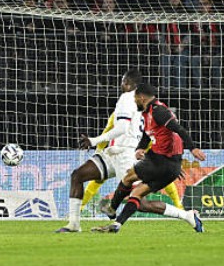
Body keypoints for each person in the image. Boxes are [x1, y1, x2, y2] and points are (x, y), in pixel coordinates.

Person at [56, 70, 185, 233]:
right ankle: (73, 224)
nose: (121, 85)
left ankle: (186, 215)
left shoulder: (127, 98)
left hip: (126, 155)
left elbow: (121, 128)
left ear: (128, 84)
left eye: (123, 81)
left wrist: (94, 141)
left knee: (140, 202)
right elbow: (158, 134)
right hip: (115, 153)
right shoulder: (149, 106)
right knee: (78, 175)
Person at [91, 82, 206, 234]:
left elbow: (179, 130)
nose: (134, 102)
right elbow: (148, 135)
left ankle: (112, 209)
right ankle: (117, 224)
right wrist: (141, 148)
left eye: (135, 99)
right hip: (169, 165)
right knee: (137, 195)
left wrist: (193, 148)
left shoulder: (159, 111)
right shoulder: (148, 113)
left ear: (142, 98)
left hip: (160, 160)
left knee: (128, 178)